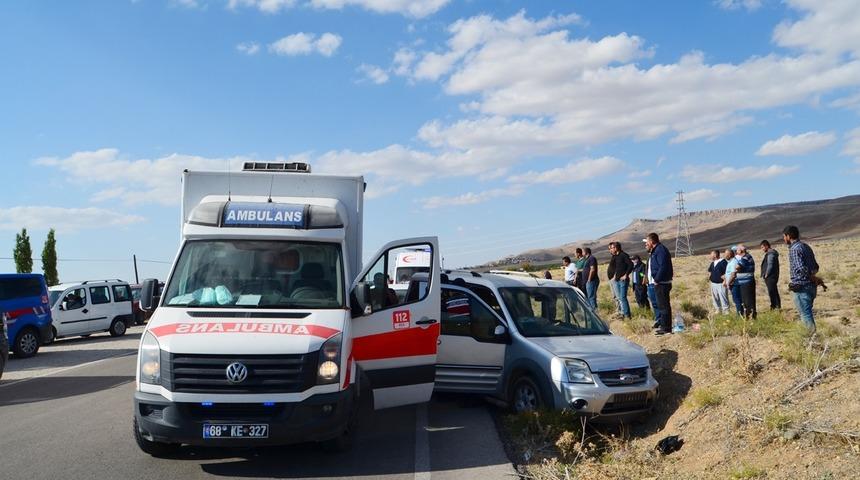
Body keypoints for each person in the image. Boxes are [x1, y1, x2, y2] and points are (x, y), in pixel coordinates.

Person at [783, 225, 820, 332]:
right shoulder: (806, 246)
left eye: (784, 236)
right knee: (807, 312)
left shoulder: (794, 249)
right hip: (811, 286)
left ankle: (811, 337)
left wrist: (810, 276)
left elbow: (800, 268)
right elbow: (816, 266)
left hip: (801, 287)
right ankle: (811, 335)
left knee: (805, 314)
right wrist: (813, 276)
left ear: (788, 236)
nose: (784, 239)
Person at [645, 233, 673, 335]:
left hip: (662, 282)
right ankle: (664, 325)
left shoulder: (660, 250)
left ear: (652, 241)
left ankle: (666, 328)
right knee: (661, 305)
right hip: (660, 282)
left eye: (647, 242)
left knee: (664, 305)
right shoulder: (656, 250)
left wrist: (657, 279)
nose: (646, 244)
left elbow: (663, 266)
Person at [607, 242, 633, 318]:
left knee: (623, 298)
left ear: (616, 248)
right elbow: (616, 268)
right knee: (619, 298)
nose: (611, 249)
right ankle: (622, 313)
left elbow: (630, 265)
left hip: (623, 281)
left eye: (612, 248)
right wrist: (615, 276)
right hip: (617, 280)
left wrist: (626, 275)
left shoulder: (623, 255)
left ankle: (627, 315)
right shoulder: (616, 256)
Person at [732, 244, 757, 319]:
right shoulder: (745, 257)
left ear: (740, 250)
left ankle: (751, 316)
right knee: (745, 300)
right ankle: (748, 316)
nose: (736, 251)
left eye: (737, 249)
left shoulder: (746, 257)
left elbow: (738, 266)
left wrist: (736, 269)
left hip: (747, 282)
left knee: (748, 300)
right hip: (744, 282)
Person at [760, 240, 781, 310]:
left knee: (772, 291)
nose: (762, 249)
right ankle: (776, 306)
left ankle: (775, 306)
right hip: (772, 276)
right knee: (773, 291)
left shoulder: (771, 254)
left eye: (762, 247)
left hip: (771, 276)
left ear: (766, 246)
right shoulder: (770, 253)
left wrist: (766, 274)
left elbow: (770, 265)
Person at [708, 249, 730, 314]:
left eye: (711, 254)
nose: (710, 256)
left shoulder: (723, 262)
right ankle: (718, 309)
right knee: (715, 298)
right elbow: (710, 271)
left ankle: (726, 311)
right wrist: (710, 277)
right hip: (713, 283)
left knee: (723, 297)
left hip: (721, 284)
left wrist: (725, 281)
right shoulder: (713, 263)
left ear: (715, 255)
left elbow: (727, 272)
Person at [724, 247, 743, 316]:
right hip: (733, 283)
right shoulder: (730, 262)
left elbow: (733, 274)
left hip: (734, 284)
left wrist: (728, 283)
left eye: (725, 254)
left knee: (737, 300)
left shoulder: (733, 262)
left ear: (729, 255)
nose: (724, 256)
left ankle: (740, 315)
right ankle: (740, 314)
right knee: (736, 300)